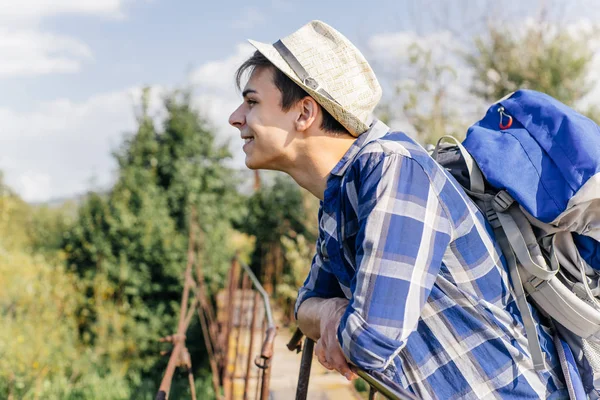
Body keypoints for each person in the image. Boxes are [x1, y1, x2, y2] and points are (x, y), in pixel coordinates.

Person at [228, 20, 568, 399]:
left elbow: (371, 341)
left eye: (252, 102)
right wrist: (328, 314)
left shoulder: (394, 169)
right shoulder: (340, 193)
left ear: (305, 112)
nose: (236, 117)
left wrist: (335, 317)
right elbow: (305, 304)